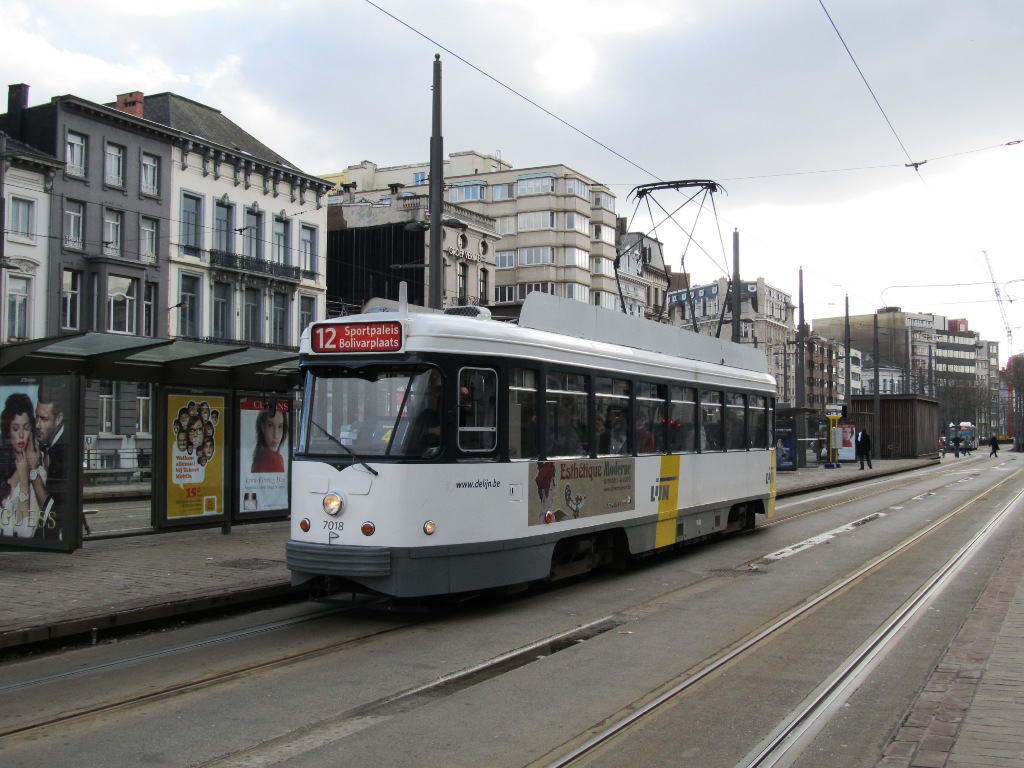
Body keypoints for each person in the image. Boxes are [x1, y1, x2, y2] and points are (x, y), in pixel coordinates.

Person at [0, 393, 42, 538]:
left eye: (26, 428)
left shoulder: (38, 475)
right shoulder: (3, 472)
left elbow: (25, 533)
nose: (22, 435)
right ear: (8, 432)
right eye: (16, 429)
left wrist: (24, 481)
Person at [33, 380, 67, 542]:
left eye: (44, 419)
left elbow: (53, 510)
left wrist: (33, 473)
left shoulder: (64, 452)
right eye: (36, 416)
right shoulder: (41, 445)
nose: (37, 425)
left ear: (59, 419)